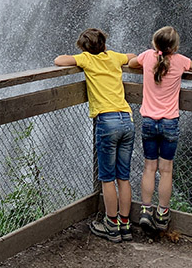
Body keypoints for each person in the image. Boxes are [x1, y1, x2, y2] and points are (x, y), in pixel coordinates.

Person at [55, 28, 137, 242]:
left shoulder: (86, 60)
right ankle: (125, 225)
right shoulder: (114, 57)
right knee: (124, 177)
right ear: (104, 44)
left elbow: (59, 61)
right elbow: (133, 57)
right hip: (127, 119)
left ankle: (111, 224)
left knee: (107, 178)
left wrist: (81, 56)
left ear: (84, 48)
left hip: (106, 122)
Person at [128, 26, 192, 232]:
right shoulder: (180, 61)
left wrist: (145, 60)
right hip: (170, 123)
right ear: (175, 46)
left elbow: (131, 63)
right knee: (166, 170)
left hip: (148, 121)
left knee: (149, 167)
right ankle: (162, 213)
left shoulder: (147, 57)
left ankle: (145, 210)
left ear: (155, 43)